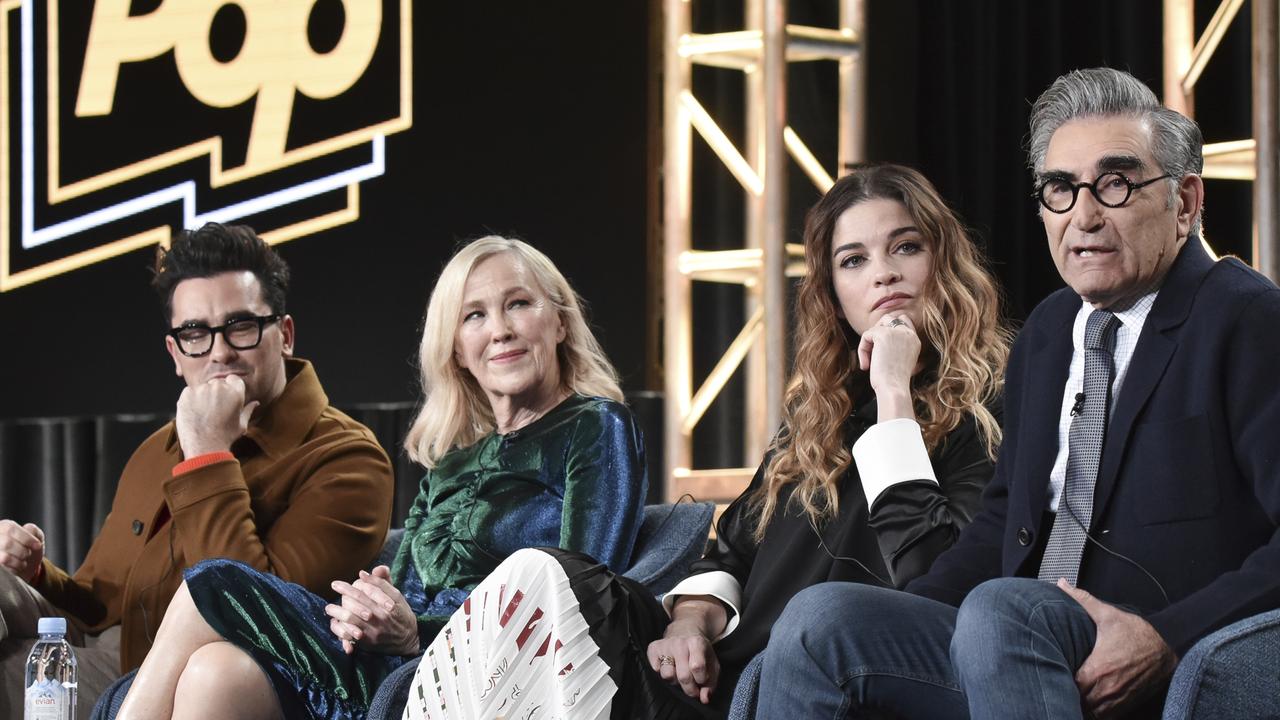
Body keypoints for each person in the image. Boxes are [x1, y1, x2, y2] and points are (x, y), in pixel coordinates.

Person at [757, 67, 1280, 720]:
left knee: (1000, 606)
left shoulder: (1248, 319)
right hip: (1008, 639)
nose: (1083, 216)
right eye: (1060, 190)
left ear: (1186, 203)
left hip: (1128, 631)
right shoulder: (1051, 332)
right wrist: (903, 612)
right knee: (820, 617)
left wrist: (1166, 638)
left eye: (1114, 185)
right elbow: (1002, 525)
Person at [400, 163, 1012, 719]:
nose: (883, 273)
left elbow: (934, 575)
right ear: (832, 290)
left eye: (906, 247)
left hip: (820, 672)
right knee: (546, 575)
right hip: (711, 676)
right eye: (853, 260)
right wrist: (691, 619)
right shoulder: (817, 415)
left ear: (943, 262)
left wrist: (895, 396)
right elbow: (731, 550)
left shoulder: (991, 408)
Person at [112, 236, 648, 720]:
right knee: (215, 671)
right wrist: (369, 610)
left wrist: (415, 631)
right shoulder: (452, 463)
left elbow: (585, 596)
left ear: (558, 321)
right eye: (474, 316)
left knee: (213, 583)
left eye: (519, 304)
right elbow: (404, 588)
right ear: (457, 349)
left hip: (471, 678)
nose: (500, 330)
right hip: (387, 663)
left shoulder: (595, 425)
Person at [0, 222, 394, 718]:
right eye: (195, 334)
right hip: (130, 669)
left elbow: (248, 613)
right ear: (174, 353)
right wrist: (34, 572)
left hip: (239, 677)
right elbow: (99, 605)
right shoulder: (156, 449)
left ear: (285, 336)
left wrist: (208, 453)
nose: (220, 352)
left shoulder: (348, 457)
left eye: (241, 327)